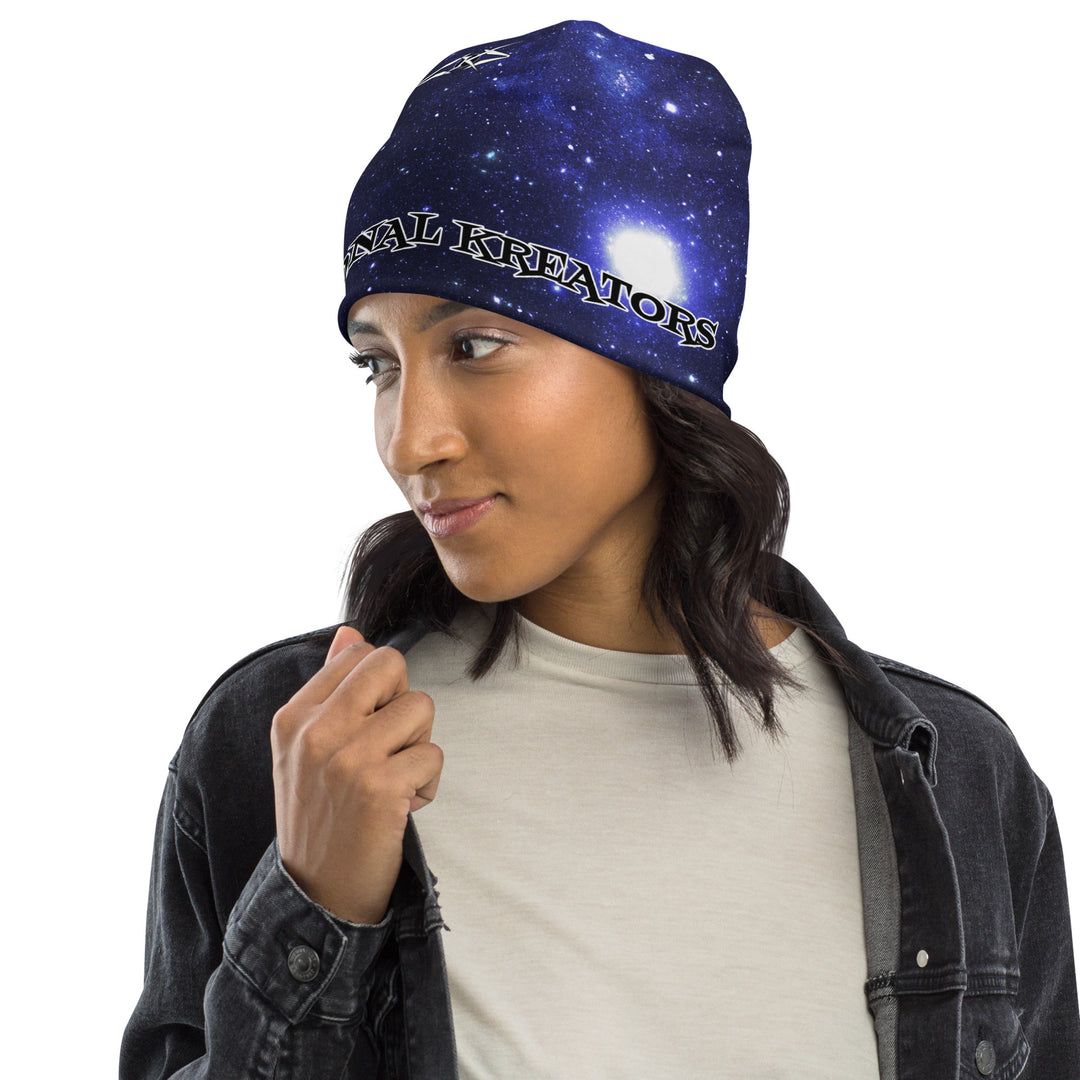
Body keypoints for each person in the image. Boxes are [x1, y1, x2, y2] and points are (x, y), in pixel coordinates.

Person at [120, 19, 1080, 1079]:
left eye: (475, 345)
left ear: (657, 357)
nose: (409, 440)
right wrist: (314, 907)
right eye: (377, 364)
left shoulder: (958, 780)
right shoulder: (287, 748)